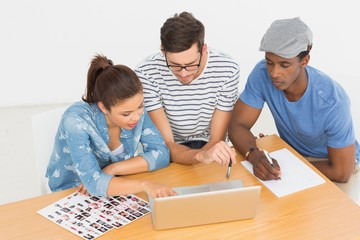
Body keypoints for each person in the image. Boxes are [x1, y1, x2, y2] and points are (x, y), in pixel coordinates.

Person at [228, 17, 360, 201]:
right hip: (290, 157)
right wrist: (255, 155)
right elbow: (237, 125)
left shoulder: (332, 101)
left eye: (284, 65)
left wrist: (286, 165)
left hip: (330, 167)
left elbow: (341, 172)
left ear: (304, 60)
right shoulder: (261, 74)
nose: (274, 73)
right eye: (269, 62)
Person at [46, 54, 177, 198]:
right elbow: (93, 183)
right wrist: (144, 185)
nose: (136, 117)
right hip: (72, 192)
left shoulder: (136, 111)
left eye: (140, 106)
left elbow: (161, 154)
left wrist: (113, 169)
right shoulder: (75, 122)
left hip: (116, 186)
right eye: (126, 114)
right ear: (103, 108)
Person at [135, 11, 239, 166]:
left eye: (191, 65)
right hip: (168, 149)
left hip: (210, 145)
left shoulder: (227, 69)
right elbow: (166, 144)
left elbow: (217, 139)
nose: (183, 74)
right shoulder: (146, 72)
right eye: (175, 66)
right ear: (163, 51)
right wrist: (199, 157)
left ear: (203, 50)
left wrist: (204, 156)